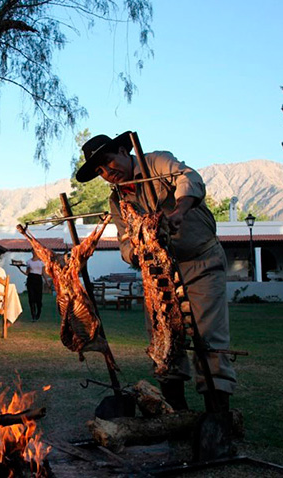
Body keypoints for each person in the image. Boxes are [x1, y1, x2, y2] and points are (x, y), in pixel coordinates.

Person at [75, 131, 236, 412]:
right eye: (99, 170)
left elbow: (189, 178)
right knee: (163, 338)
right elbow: (124, 240)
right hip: (159, 273)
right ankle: (176, 412)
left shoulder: (157, 163)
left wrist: (179, 212)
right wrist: (136, 252)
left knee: (208, 337)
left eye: (107, 162)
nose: (106, 173)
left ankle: (217, 412)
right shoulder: (118, 201)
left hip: (200, 262)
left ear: (124, 152)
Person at [18, 250, 46, 322]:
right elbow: (27, 273)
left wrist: (47, 281)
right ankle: (33, 315)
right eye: (33, 252)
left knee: (38, 298)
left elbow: (43, 273)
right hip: (31, 279)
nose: (34, 253)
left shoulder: (41, 262)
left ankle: (38, 312)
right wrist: (20, 269)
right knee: (31, 298)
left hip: (38, 279)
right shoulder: (29, 262)